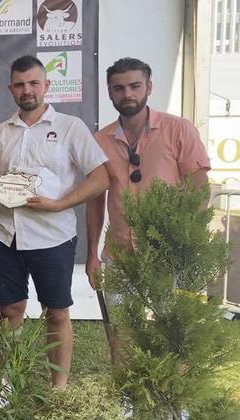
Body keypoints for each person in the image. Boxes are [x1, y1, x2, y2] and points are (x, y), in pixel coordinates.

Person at [0, 55, 109, 388]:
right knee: (9, 311)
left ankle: (58, 390)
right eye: (19, 84)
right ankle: (5, 385)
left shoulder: (71, 127)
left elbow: (100, 178)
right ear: (10, 89)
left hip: (53, 238)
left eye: (33, 83)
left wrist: (60, 204)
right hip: (4, 236)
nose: (26, 90)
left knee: (56, 313)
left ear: (46, 86)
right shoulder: (0, 133)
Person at [85, 57, 211, 356]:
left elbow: (199, 190)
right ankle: (129, 401)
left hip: (169, 256)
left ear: (149, 87)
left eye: (134, 86)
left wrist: (185, 245)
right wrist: (92, 255)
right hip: (119, 257)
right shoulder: (99, 139)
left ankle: (175, 402)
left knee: (173, 333)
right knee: (122, 332)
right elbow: (94, 200)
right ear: (109, 92)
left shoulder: (179, 129)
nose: (127, 94)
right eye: (119, 88)